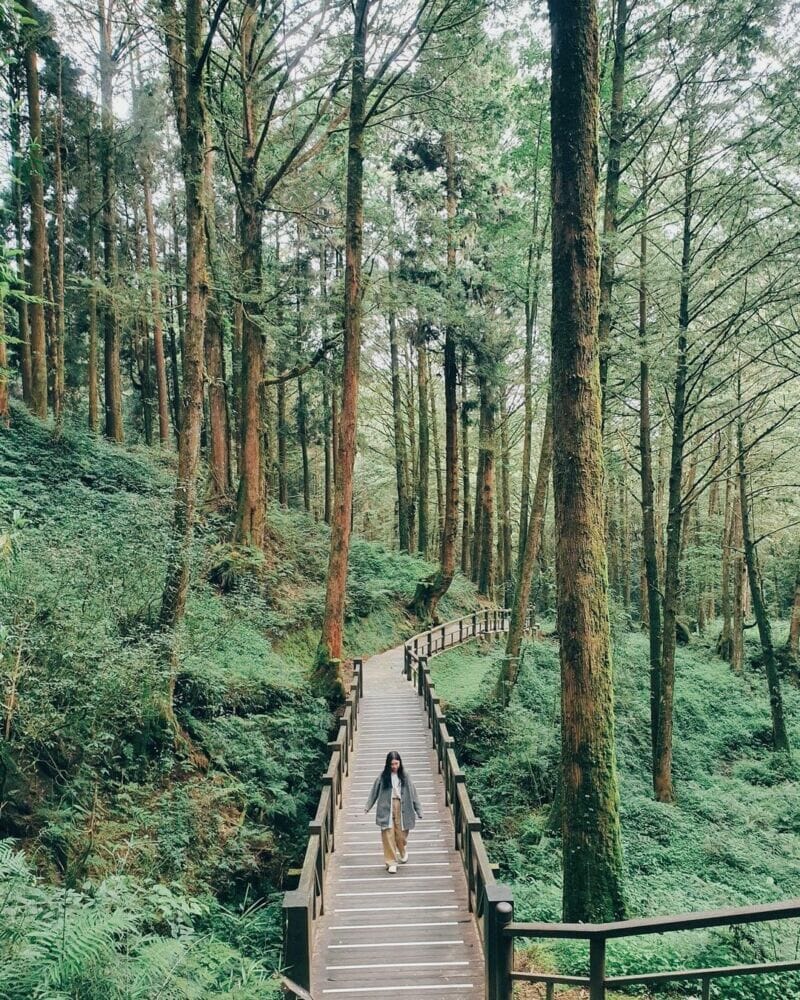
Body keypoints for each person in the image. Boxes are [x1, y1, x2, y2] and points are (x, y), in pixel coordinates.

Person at [364, 750, 423, 874]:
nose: (394, 767)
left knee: (401, 834)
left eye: (396, 764)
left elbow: (413, 793)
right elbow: (374, 791)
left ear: (400, 763)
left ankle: (402, 849)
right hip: (386, 807)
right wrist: (368, 806)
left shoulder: (405, 776)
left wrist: (418, 810)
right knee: (388, 834)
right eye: (392, 764)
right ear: (388, 764)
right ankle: (391, 862)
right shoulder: (383, 776)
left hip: (402, 806)